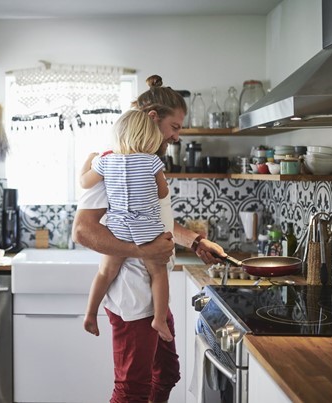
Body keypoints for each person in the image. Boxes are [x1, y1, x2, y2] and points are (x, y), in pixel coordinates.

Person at [72, 74, 225, 403]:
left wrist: (195, 241)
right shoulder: (112, 163)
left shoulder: (146, 162)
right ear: (153, 118)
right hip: (132, 296)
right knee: (131, 390)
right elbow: (83, 231)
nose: (177, 135)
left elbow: (158, 222)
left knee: (167, 374)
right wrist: (144, 250)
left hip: (153, 292)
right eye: (175, 126)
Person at [79, 109, 173, 342]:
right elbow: (163, 192)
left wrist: (88, 161)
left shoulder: (105, 162)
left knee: (105, 272)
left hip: (118, 229)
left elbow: (83, 182)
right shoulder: (153, 161)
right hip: (148, 230)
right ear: (151, 137)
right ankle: (160, 319)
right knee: (158, 272)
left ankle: (91, 313)